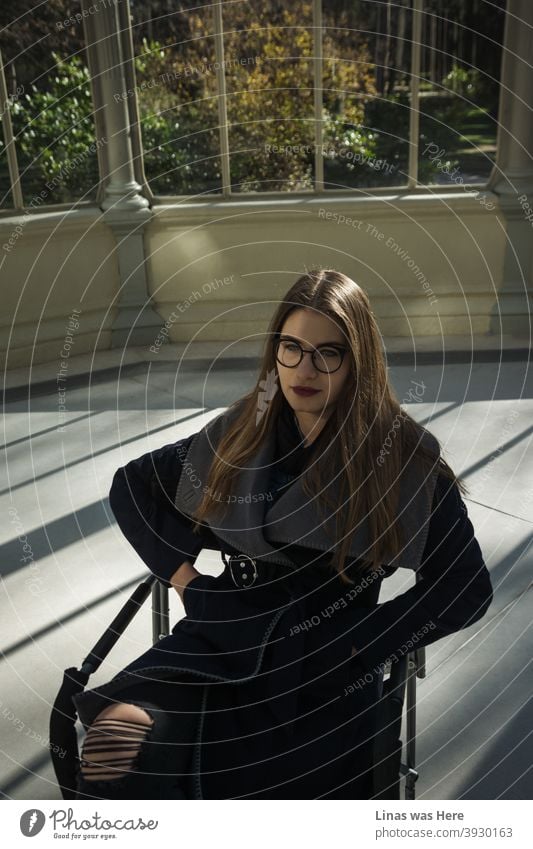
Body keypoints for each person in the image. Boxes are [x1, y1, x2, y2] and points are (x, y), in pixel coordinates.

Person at [72, 267, 493, 799]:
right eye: (291, 347)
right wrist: (188, 582)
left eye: (328, 352)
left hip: (323, 664)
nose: (305, 368)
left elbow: (465, 587)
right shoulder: (241, 431)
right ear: (274, 352)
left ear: (357, 360)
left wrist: (362, 648)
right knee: (112, 746)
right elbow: (133, 486)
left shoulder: (400, 458)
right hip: (220, 636)